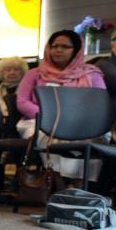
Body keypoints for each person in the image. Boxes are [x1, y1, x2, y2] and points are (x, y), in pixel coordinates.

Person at [16, 30, 106, 182]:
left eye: (65, 46)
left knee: (95, 136)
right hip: (39, 121)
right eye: (54, 46)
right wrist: (51, 117)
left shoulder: (92, 74)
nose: (58, 50)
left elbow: (99, 104)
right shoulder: (34, 74)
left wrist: (72, 120)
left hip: (81, 123)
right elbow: (22, 102)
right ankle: (57, 181)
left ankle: (80, 185)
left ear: (76, 50)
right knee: (54, 135)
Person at [0, 56, 27, 138]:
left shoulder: (29, 90)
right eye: (8, 70)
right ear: (1, 73)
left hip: (23, 125)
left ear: (22, 72)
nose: (12, 73)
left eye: (16, 70)